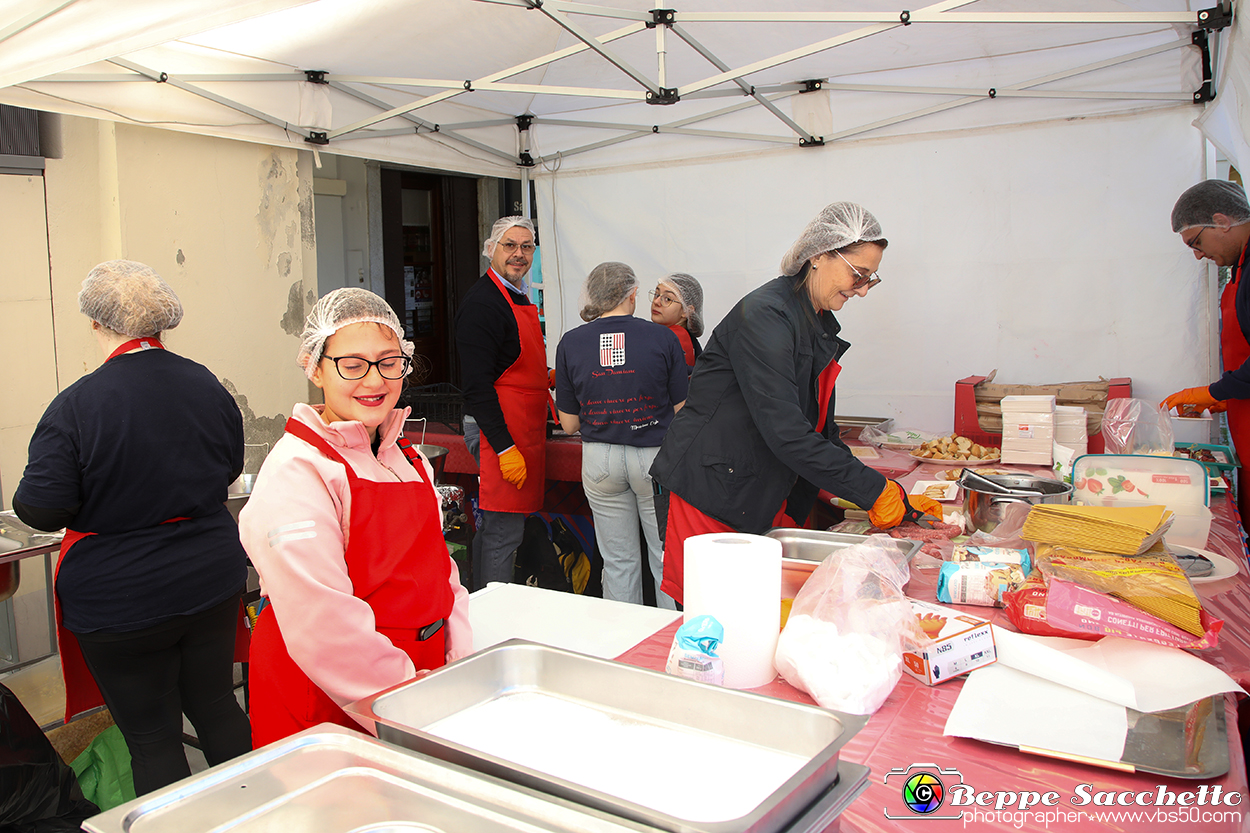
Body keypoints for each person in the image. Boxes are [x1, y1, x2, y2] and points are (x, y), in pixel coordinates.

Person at [12, 260, 251, 795]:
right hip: (210, 578)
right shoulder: (207, 384)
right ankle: (258, 813)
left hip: (122, 598)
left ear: (96, 323)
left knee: (152, 736)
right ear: (160, 321)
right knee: (217, 705)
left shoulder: (76, 406)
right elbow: (229, 466)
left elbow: (41, 509)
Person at [649, 202, 943, 604]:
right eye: (857, 275)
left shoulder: (815, 321)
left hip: (758, 488)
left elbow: (821, 430)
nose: (860, 290)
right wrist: (874, 491)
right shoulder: (766, 315)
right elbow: (786, 430)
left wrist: (892, 496)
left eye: (870, 280)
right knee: (714, 621)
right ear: (820, 255)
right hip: (712, 490)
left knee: (757, 615)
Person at [239, 288, 472, 747]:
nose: (374, 381)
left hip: (421, 679)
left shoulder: (407, 455)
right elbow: (323, 623)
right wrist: (409, 703)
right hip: (334, 697)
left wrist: (459, 665)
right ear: (316, 367)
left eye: (389, 362)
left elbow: (443, 574)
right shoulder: (299, 470)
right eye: (352, 364)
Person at [555, 263, 688, 608]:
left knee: (617, 562)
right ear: (631, 294)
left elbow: (568, 424)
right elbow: (681, 410)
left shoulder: (571, 342)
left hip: (599, 458)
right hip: (653, 456)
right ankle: (668, 646)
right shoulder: (664, 337)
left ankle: (622, 647)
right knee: (663, 559)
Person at [455, 216, 550, 590]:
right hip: (497, 429)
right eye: (510, 245)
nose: (519, 254)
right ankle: (490, 619)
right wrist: (505, 446)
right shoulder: (482, 303)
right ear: (491, 249)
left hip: (519, 425)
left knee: (504, 529)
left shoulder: (517, 295)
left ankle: (487, 604)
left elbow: (509, 361)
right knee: (502, 530)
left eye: (527, 246)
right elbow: (477, 386)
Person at [1162, 179, 1250, 527]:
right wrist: (1229, 395)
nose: (1198, 255)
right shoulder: (1240, 268)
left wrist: (1214, 391)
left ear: (1222, 221)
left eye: (1196, 242)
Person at [649, 272, 705, 373]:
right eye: (657, 295)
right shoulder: (681, 336)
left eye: (667, 299)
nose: (656, 302)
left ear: (686, 311)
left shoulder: (675, 336)